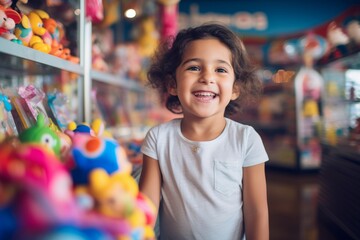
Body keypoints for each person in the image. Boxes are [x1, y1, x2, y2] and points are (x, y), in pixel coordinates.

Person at [139, 22, 269, 240]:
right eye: (194, 67)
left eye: (220, 70)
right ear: (172, 84)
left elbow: (257, 213)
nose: (207, 77)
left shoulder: (246, 139)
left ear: (235, 88)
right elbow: (146, 208)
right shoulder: (159, 138)